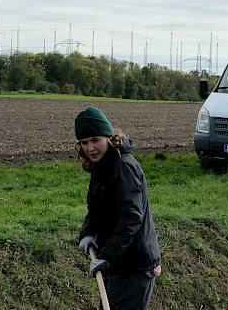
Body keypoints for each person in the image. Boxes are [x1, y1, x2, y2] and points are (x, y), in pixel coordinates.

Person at [75, 106, 161, 310]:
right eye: (84, 143)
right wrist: (87, 233)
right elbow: (95, 209)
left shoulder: (123, 166)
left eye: (95, 140)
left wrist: (107, 257)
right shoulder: (101, 166)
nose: (90, 148)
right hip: (117, 263)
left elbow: (132, 217)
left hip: (134, 265)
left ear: (108, 137)